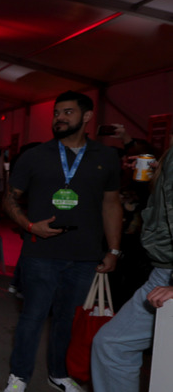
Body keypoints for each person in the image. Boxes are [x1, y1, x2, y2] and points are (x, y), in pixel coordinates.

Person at [2, 90, 122, 392]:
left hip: (85, 256)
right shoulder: (35, 156)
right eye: (57, 113)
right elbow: (10, 199)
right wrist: (30, 225)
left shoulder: (106, 157)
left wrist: (113, 249)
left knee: (67, 319)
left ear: (87, 116)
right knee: (32, 317)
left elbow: (111, 204)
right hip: (41, 252)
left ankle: (58, 374)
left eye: (68, 112)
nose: (59, 118)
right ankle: (19, 376)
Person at [90, 134, 173, 392]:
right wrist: (157, 175)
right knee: (113, 344)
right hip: (163, 270)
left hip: (168, 275)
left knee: (114, 345)